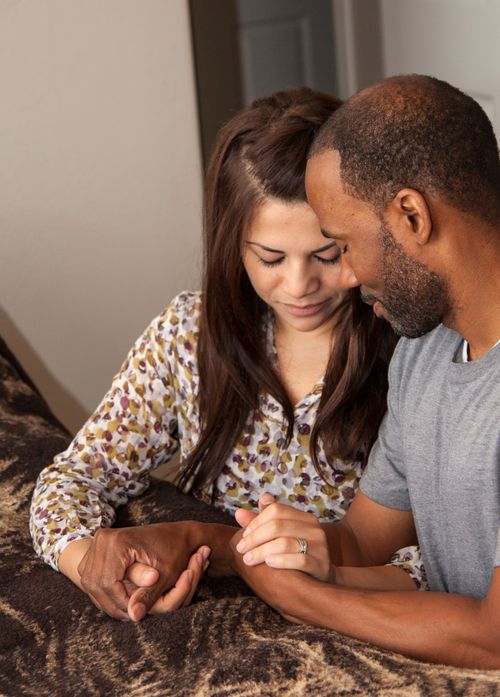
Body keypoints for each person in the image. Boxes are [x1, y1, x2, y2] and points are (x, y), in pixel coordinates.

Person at [30, 87, 424, 623]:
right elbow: (71, 481)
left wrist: (308, 577)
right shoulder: (188, 336)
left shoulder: (409, 349)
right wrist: (104, 572)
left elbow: (439, 561)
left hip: (348, 619)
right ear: (233, 245)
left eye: (328, 254)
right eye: (270, 257)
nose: (299, 284)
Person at [231, 74, 500, 670]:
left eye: (342, 245)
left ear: (411, 216)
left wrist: (306, 600)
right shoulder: (422, 355)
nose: (346, 277)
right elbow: (361, 542)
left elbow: (494, 636)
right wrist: (271, 546)